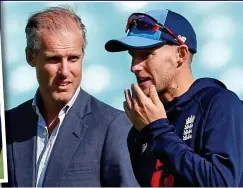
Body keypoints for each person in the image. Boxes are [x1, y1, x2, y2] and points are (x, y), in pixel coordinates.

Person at [105, 9, 243, 186]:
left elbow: (222, 183)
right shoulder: (140, 129)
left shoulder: (220, 104)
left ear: (181, 54)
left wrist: (158, 131)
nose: (134, 67)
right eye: (133, 55)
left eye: (146, 54)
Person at [4, 6, 138, 187]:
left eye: (73, 58)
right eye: (54, 59)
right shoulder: (8, 125)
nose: (65, 71)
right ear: (30, 57)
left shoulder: (112, 126)